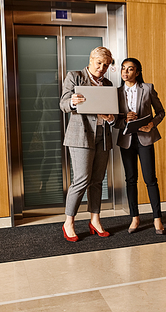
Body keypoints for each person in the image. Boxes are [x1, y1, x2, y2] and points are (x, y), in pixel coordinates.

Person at [59, 46, 115, 242]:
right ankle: (69, 222)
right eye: (99, 63)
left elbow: (113, 113)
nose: (102, 68)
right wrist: (73, 102)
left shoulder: (108, 84)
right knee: (81, 179)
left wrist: (110, 118)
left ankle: (95, 220)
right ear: (91, 60)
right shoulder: (74, 77)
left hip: (102, 136)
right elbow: (63, 104)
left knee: (97, 181)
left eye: (106, 65)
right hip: (81, 136)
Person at [114, 58, 166, 234]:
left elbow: (161, 112)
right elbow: (114, 121)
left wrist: (151, 125)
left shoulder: (147, 88)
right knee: (130, 180)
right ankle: (134, 218)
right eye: (123, 69)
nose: (125, 72)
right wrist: (123, 120)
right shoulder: (116, 92)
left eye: (130, 69)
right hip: (126, 140)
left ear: (137, 72)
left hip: (145, 139)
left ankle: (157, 219)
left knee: (150, 179)